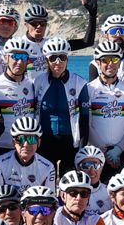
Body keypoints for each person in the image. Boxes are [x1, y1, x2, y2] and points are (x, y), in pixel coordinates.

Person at [83, 39, 124, 172]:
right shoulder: (88, 89)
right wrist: (104, 151)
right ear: (98, 63)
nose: (110, 64)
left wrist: (118, 150)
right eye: (105, 60)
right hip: (98, 152)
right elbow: (88, 124)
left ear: (120, 62)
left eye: (115, 60)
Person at [32, 37, 88, 169]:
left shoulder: (79, 83)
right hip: (44, 141)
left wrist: (82, 148)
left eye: (62, 57)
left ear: (67, 59)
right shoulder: (37, 82)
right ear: (47, 60)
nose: (58, 62)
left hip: (70, 142)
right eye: (53, 58)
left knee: (68, 185)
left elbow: (85, 118)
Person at [0, 37, 41, 156]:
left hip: (24, 148)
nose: (19, 62)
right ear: (6, 57)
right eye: (15, 57)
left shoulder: (32, 85)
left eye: (23, 58)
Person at [0, 114, 56, 193]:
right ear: (13, 142)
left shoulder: (48, 167)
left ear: (39, 142)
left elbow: (50, 199)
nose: (26, 144)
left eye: (31, 139)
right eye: (21, 139)